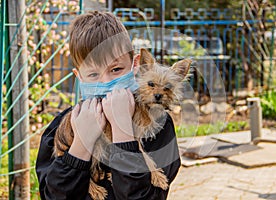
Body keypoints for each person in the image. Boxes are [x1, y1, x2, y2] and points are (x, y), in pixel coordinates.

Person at [35, 11, 181, 200]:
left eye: (116, 69)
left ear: (135, 65)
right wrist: (81, 143)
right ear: (79, 77)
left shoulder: (159, 127)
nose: (106, 83)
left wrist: (124, 135)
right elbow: (53, 196)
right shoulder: (60, 127)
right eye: (93, 75)